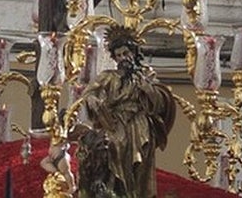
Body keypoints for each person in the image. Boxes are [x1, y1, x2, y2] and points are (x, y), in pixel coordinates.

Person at [74, 25, 176, 198]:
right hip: (115, 124)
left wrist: (146, 87)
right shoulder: (108, 76)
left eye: (126, 53)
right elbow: (90, 92)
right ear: (114, 57)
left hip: (140, 125)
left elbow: (160, 102)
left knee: (141, 163)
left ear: (134, 52)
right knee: (114, 149)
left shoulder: (145, 75)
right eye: (119, 55)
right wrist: (92, 100)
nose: (123, 58)